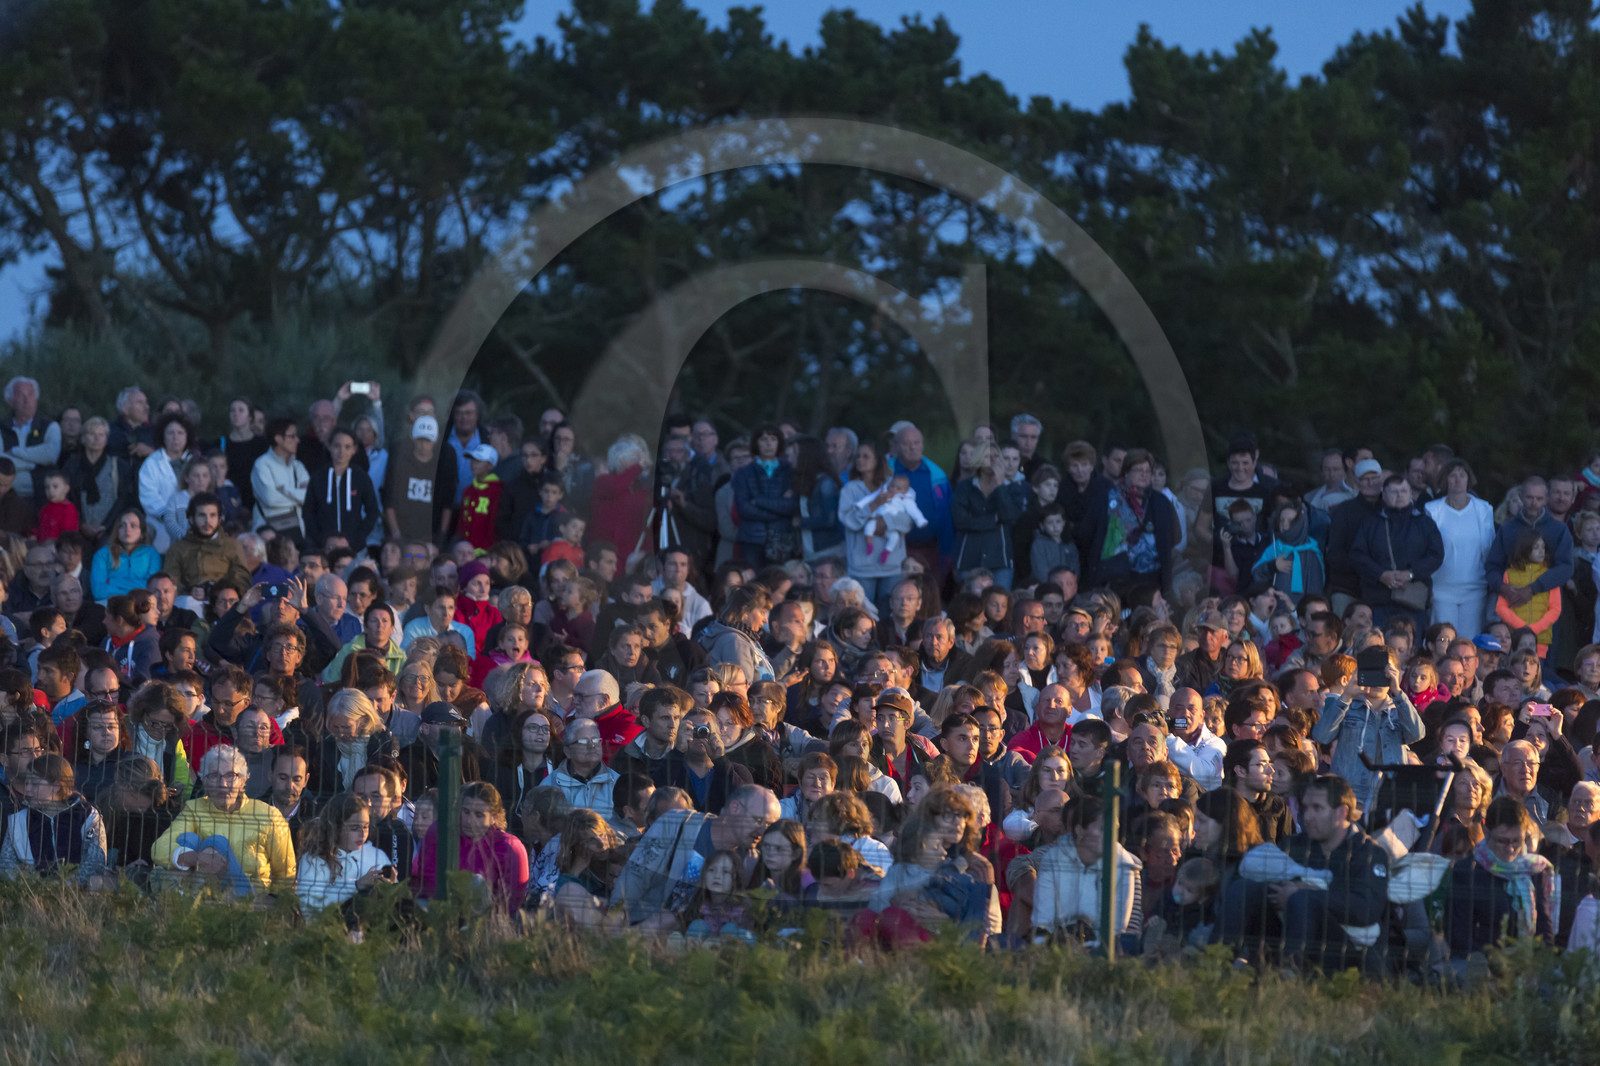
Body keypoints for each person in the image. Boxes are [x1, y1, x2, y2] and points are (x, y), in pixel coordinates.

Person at [152, 744, 296, 894]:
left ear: (242, 781)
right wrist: (197, 858)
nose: (223, 784)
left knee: (217, 842)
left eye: (230, 776)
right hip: (203, 893)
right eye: (214, 776)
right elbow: (159, 848)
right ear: (205, 782)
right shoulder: (194, 809)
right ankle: (179, 898)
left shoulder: (269, 815)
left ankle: (176, 899)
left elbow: (286, 873)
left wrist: (273, 904)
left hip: (248, 900)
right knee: (188, 839)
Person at [1312, 647, 1423, 810]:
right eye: (1373, 671)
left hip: (1389, 800)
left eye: (1385, 671)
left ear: (1395, 673)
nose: (1379, 678)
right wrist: (1347, 695)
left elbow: (1417, 734)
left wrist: (1398, 692)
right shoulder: (1346, 706)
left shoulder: (1401, 709)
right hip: (1348, 799)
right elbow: (1321, 736)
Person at [1447, 795, 1556, 958]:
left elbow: (1544, 928)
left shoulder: (1534, 870)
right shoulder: (1467, 872)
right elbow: (1458, 935)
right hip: (1483, 967)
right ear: (1487, 833)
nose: (1510, 849)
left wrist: (1543, 963)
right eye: (1502, 841)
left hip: (1527, 966)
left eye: (1517, 841)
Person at [1031, 795, 1144, 948]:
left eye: (1114, 828)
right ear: (1080, 830)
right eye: (1103, 828)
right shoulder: (1052, 860)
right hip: (1058, 947)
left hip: (1103, 951)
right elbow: (1042, 921)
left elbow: (1117, 929)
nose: (1111, 835)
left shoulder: (1123, 865)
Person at [416, 781, 529, 913]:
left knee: (477, 883)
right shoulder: (439, 833)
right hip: (440, 912)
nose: (470, 821)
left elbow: (511, 904)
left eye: (479, 815)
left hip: (486, 922)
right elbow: (426, 882)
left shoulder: (510, 848)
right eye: (466, 812)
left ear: (494, 818)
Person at [1350, 475, 1444, 632]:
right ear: (1384, 493)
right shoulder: (1370, 523)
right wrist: (1380, 574)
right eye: (1394, 491)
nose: (1399, 495)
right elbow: (1358, 555)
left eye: (1403, 491)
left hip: (1413, 599)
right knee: (1378, 646)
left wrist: (1411, 573)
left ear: (1410, 493)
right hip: (1378, 598)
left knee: (1411, 647)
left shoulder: (1424, 523)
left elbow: (1436, 555)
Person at [0, 754, 107, 883]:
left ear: (56, 786)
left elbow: (94, 865)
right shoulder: (18, 821)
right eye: (26, 782)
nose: (27, 789)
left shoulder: (88, 817)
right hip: (32, 897)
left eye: (34, 783)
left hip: (77, 897)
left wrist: (63, 889)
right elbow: (6, 867)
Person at [294, 792, 396, 913]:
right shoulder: (314, 860)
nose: (362, 834)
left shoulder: (377, 855)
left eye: (365, 827)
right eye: (354, 828)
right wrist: (357, 887)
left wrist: (392, 887)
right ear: (335, 828)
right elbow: (310, 909)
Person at [951, 442, 1024, 589]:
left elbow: (1010, 516)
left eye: (997, 456)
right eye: (988, 456)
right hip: (969, 558)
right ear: (978, 459)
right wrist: (993, 520)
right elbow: (960, 521)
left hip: (1000, 559)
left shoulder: (1012, 488)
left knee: (1000, 605)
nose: (994, 460)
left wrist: (1000, 486)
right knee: (968, 607)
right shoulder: (965, 487)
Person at [303, 428, 381, 550]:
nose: (341, 451)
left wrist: (357, 539)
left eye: (347, 447)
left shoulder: (360, 477)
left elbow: (373, 511)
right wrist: (321, 539)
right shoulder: (318, 477)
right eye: (337, 446)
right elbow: (308, 512)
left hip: (353, 548)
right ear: (329, 446)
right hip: (323, 548)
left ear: (354, 450)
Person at [164, 492, 251, 596]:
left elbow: (242, 581)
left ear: (219, 520)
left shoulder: (233, 546)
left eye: (212, 515)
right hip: (188, 602)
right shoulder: (178, 548)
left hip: (224, 602)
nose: (207, 521)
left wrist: (216, 591)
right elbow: (170, 582)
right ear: (191, 519)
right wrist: (190, 591)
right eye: (202, 515)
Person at [0, 376, 61, 499]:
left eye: (31, 394)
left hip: (42, 497)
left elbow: (51, 455)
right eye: (21, 395)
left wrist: (15, 451)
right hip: (7, 498)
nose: (27, 400)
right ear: (10, 400)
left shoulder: (50, 426)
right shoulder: (2, 428)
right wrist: (33, 463)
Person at [251, 418, 311, 541]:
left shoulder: (298, 466)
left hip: (297, 533)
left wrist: (285, 490)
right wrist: (298, 496)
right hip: (269, 536)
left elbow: (310, 496)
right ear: (278, 438)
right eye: (292, 436)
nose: (297, 440)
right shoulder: (262, 465)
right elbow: (270, 499)